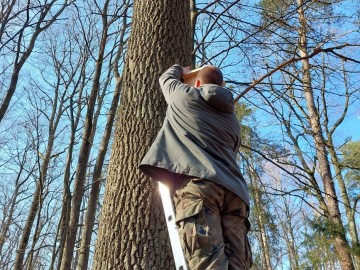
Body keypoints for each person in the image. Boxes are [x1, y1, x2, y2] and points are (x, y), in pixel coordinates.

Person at [139, 64, 252, 270]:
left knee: (209, 264)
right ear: (222, 86)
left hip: (201, 187)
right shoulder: (232, 120)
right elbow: (233, 150)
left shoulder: (185, 96)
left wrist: (179, 70)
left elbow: (165, 78)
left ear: (198, 83)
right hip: (236, 194)